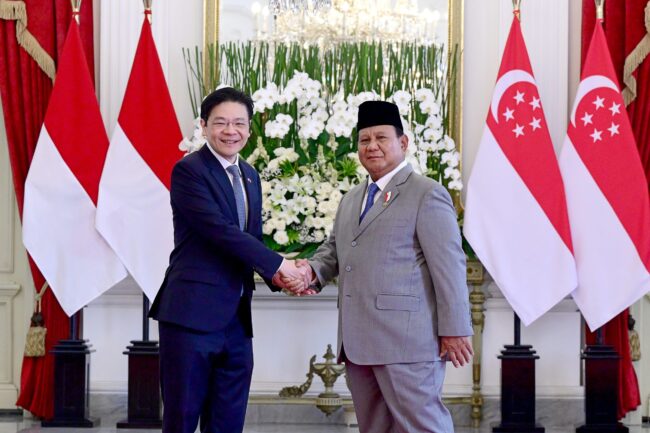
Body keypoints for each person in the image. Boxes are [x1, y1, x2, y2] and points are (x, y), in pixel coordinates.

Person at [283, 100, 474, 433]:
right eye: (364, 140)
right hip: (358, 343)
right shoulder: (352, 198)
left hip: (408, 343)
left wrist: (455, 328)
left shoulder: (427, 194)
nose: (371, 146)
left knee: (422, 427)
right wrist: (309, 272)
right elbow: (335, 251)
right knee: (374, 428)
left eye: (381, 138)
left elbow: (451, 267)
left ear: (403, 143)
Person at [149, 87, 308, 433]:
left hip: (236, 321)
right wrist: (280, 264)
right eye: (220, 122)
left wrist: (280, 277)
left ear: (250, 130)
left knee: (228, 423)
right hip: (190, 317)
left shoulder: (250, 175)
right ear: (204, 127)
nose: (230, 130)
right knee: (182, 420)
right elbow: (219, 231)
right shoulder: (188, 171)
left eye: (239, 123)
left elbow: (251, 237)